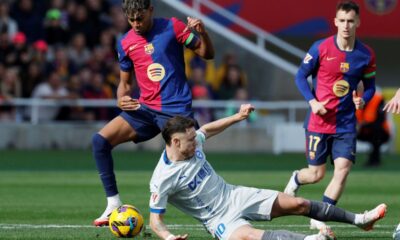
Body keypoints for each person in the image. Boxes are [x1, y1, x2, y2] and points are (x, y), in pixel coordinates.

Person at [148, 104, 387, 240]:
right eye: (190, 140)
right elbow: (155, 221)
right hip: (218, 219)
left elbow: (207, 131)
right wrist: (169, 238)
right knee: (253, 236)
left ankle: (360, 220)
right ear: (175, 143)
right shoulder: (162, 179)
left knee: (299, 203)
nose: (195, 141)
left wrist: (238, 116)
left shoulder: (193, 140)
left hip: (234, 195)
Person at [92, 0, 214, 226]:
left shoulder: (173, 27)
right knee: (100, 141)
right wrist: (121, 99)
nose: (136, 24)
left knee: (187, 172)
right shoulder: (125, 42)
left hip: (176, 112)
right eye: (131, 20)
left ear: (151, 11)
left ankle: (214, 215)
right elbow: (125, 84)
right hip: (144, 109)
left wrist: (203, 34)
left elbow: (207, 54)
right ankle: (113, 205)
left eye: (140, 18)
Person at [283, 0, 377, 231]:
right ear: (335, 22)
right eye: (342, 21)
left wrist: (362, 100)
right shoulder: (320, 48)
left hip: (345, 124)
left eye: (350, 21)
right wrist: (313, 102)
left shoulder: (366, 55)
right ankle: (297, 178)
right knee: (316, 175)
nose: (346, 25)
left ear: (358, 23)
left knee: (343, 170)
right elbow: (299, 76)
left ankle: (320, 217)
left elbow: (371, 85)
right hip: (318, 122)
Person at [356, 87, 390, 167]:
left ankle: (375, 160)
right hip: (361, 130)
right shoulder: (356, 98)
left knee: (377, 132)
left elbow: (379, 120)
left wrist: (362, 125)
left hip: (380, 131)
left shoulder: (378, 99)